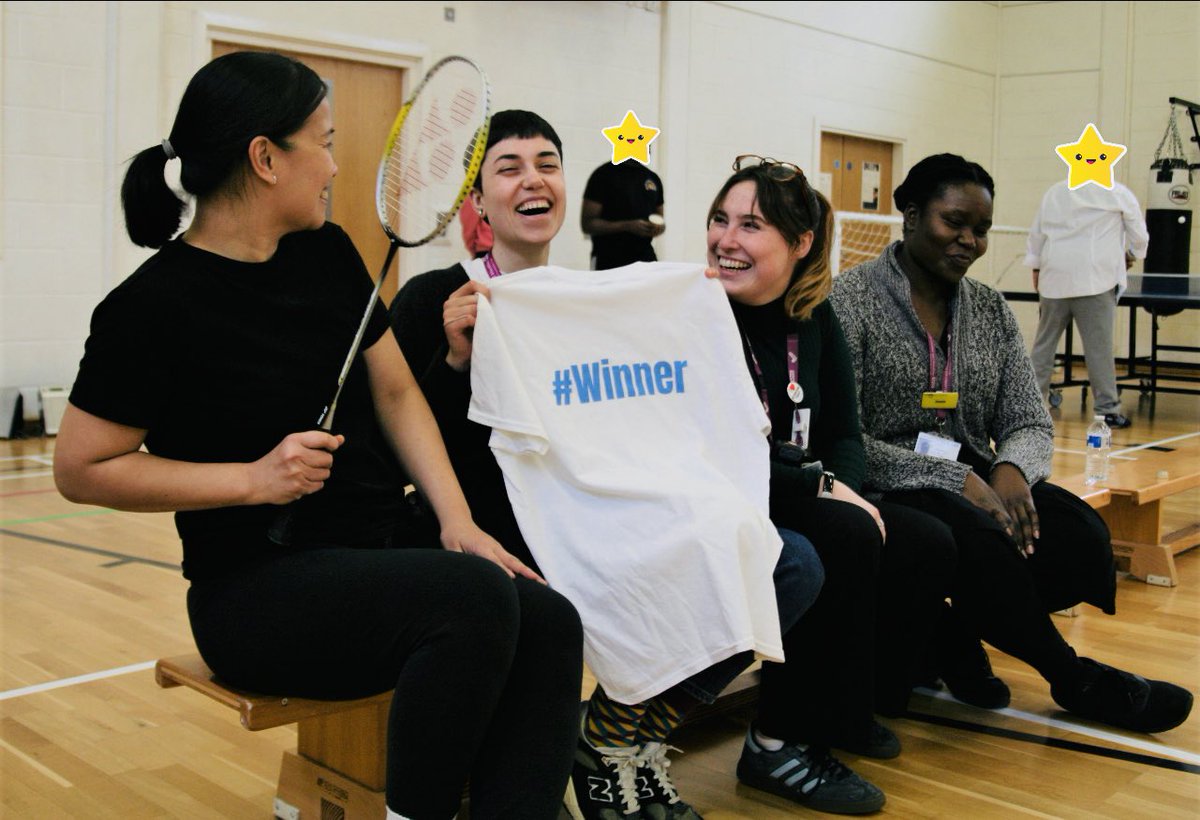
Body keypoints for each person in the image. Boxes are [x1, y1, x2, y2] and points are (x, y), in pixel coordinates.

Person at [52, 53, 585, 820]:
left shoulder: (328, 253)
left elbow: (398, 392)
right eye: (324, 143)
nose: (336, 166)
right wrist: (250, 480)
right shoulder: (150, 307)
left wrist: (455, 518)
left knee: (547, 616)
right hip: (256, 588)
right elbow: (82, 467)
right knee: (471, 600)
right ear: (265, 158)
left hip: (371, 547)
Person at [391, 110, 824, 820]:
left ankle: (624, 734)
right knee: (556, 612)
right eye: (509, 167)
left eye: (548, 163)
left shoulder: (598, 300)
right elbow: (397, 448)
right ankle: (578, 765)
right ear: (478, 203)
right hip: (503, 531)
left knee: (788, 562)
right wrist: (456, 360)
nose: (533, 179)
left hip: (602, 512)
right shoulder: (435, 299)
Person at [830, 153, 1193, 735]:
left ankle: (949, 637)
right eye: (954, 223)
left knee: (1078, 538)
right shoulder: (847, 301)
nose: (969, 242)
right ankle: (1072, 676)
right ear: (912, 213)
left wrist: (1011, 470)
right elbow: (844, 437)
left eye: (981, 229)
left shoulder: (990, 308)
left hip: (977, 470)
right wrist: (956, 479)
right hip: (889, 479)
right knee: (978, 542)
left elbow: (1028, 418)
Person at [706, 155, 958, 815]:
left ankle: (851, 708)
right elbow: (721, 451)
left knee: (923, 540)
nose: (727, 239)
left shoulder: (814, 318)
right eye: (720, 220)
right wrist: (826, 491)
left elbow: (844, 429)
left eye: (750, 226)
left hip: (799, 486)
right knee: (844, 533)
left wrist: (839, 483)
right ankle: (775, 742)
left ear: (800, 244)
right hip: (731, 492)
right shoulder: (696, 318)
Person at [1025, 179, 1148, 428]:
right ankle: (1107, 411)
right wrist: (1132, 255)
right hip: (1096, 280)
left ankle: (1030, 409)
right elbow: (1139, 235)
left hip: (1054, 277)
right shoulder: (1118, 192)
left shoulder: (1054, 191)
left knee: (1043, 347)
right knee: (1098, 350)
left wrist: (1037, 267)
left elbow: (1036, 235)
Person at [581, 158, 665, 269]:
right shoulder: (603, 174)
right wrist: (627, 226)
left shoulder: (653, 178)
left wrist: (658, 227)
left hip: (645, 260)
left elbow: (660, 219)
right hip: (609, 261)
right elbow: (588, 224)